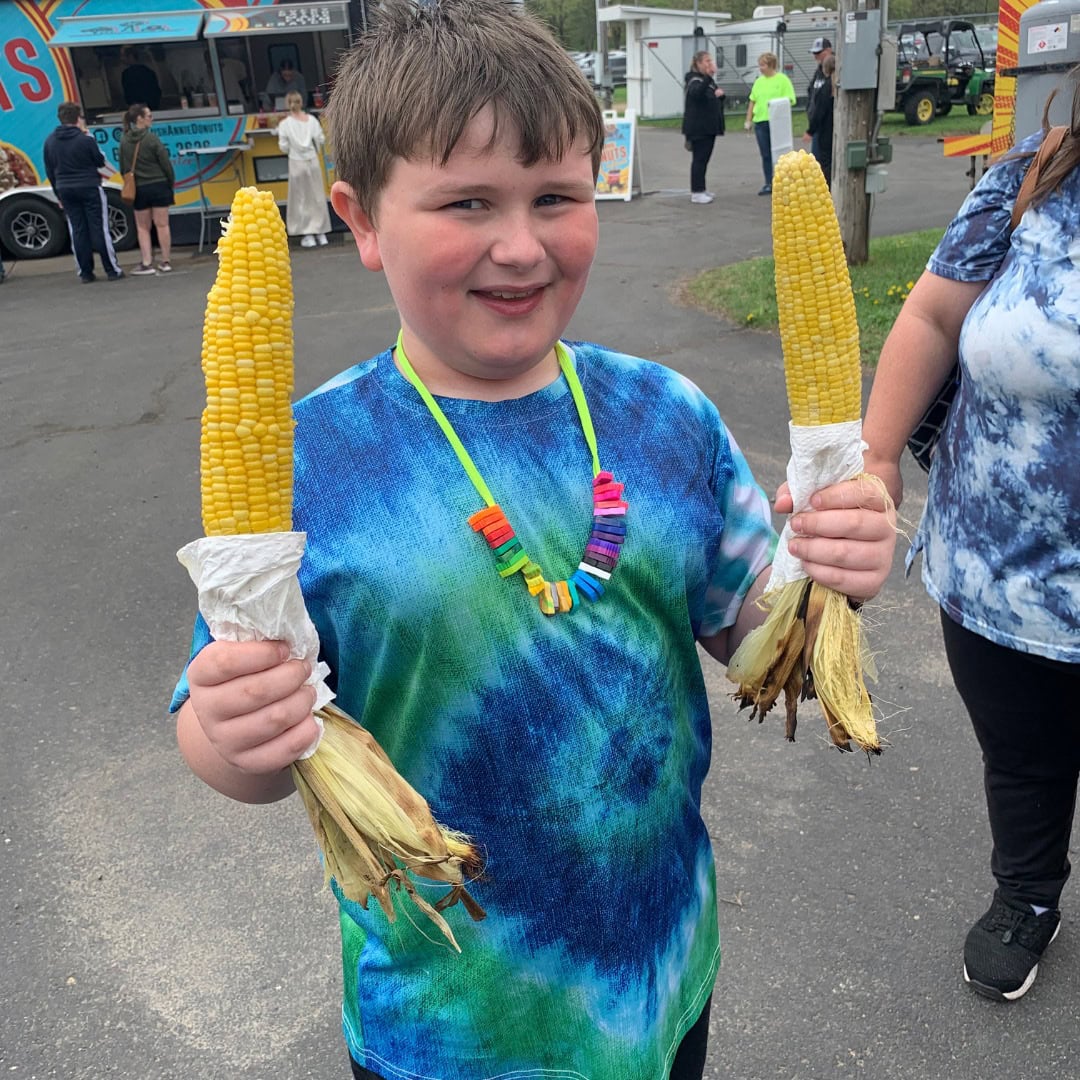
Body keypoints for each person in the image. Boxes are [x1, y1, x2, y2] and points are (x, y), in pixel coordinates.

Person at [172, 3, 895, 1078]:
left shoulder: (666, 415)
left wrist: (830, 570)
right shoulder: (307, 462)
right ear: (361, 220)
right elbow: (235, 732)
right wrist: (231, 736)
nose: (520, 245)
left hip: (660, 979)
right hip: (452, 1026)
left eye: (556, 197)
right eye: (467, 202)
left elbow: (753, 639)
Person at [863, 90, 1080, 1003]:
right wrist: (878, 454)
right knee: (1023, 757)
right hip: (998, 572)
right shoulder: (1029, 180)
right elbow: (932, 319)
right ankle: (1027, 895)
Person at [43, 102, 124, 283]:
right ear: (77, 119)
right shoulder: (86, 139)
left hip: (65, 189)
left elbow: (50, 170)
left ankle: (85, 272)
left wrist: (58, 194)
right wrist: (89, 137)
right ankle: (111, 270)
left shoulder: (50, 141)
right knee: (99, 228)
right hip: (89, 186)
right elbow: (100, 161)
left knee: (77, 230)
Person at [118, 104, 175, 274]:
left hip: (139, 188)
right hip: (159, 185)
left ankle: (147, 262)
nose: (152, 118)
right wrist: (170, 181)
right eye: (149, 116)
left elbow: (123, 167)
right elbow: (165, 163)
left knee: (143, 227)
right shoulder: (152, 139)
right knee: (162, 224)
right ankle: (165, 261)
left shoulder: (124, 141)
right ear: (139, 119)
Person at [276, 90, 331, 247]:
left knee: (300, 198)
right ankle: (321, 233)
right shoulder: (312, 120)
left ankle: (308, 235)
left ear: (288, 104)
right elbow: (320, 139)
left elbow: (283, 146)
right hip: (312, 161)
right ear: (301, 102)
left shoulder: (284, 124)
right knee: (317, 196)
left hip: (296, 162)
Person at [743, 52, 796, 195]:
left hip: (777, 122)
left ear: (771, 65)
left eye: (763, 65)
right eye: (759, 65)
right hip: (761, 122)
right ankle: (768, 182)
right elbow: (752, 101)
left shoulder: (782, 80)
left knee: (780, 153)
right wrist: (748, 119)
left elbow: (790, 99)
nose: (760, 68)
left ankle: (784, 182)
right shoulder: (759, 82)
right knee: (765, 154)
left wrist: (775, 104)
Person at [682, 50, 726, 205]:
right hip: (698, 127)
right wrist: (709, 76)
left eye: (710, 60)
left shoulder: (708, 81)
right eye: (706, 61)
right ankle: (697, 192)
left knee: (705, 159)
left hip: (709, 127)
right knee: (699, 160)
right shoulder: (693, 80)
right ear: (698, 63)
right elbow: (697, 94)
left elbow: (714, 96)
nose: (710, 64)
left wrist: (720, 95)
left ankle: (702, 188)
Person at [804, 53, 835, 188]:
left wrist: (810, 130)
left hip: (825, 130)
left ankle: (826, 188)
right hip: (836, 129)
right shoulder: (839, 87)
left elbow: (819, 112)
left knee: (824, 162)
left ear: (825, 69)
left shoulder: (825, 88)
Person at [120, 47, 162, 111]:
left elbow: (129, 93)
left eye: (123, 56)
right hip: (152, 106)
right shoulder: (148, 71)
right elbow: (156, 90)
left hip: (137, 108)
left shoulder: (127, 74)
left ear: (131, 56)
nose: (121, 59)